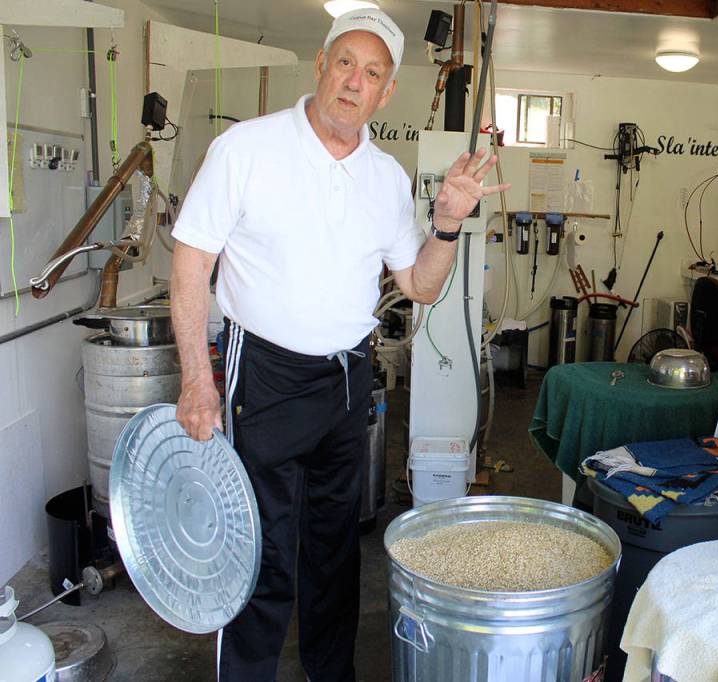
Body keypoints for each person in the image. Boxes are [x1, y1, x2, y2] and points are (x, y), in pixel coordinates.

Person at [169, 7, 509, 681]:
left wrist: (446, 224)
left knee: (335, 550)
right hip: (263, 375)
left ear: (385, 94)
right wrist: (195, 380)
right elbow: (189, 263)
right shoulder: (247, 149)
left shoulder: (385, 177)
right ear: (321, 67)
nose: (356, 81)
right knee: (259, 549)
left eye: (373, 73)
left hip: (349, 381)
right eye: (346, 62)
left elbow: (418, 286)